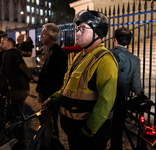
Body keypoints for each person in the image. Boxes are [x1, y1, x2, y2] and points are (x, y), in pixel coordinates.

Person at [42, 9, 118, 150]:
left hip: (89, 136)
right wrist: (54, 98)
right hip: (74, 132)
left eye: (82, 29)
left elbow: (106, 101)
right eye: (77, 29)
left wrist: (89, 130)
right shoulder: (81, 56)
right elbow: (68, 87)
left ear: (97, 32)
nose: (77, 33)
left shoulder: (104, 59)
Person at [0, 37, 30, 150]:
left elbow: (4, 73)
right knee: (12, 113)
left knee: (19, 116)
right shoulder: (15, 53)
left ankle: (22, 142)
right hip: (22, 88)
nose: (0, 44)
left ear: (9, 45)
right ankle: (16, 135)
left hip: (18, 90)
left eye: (2, 43)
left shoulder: (8, 54)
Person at [110, 27, 142, 150]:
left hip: (104, 96)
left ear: (115, 40)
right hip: (120, 100)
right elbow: (136, 86)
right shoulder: (135, 60)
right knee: (117, 131)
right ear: (129, 41)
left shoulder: (109, 54)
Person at [35, 23, 67, 138]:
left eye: (43, 34)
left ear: (49, 37)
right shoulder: (53, 52)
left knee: (50, 126)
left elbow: (54, 78)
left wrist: (50, 100)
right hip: (49, 95)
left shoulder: (57, 53)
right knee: (48, 125)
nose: (41, 37)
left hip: (50, 96)